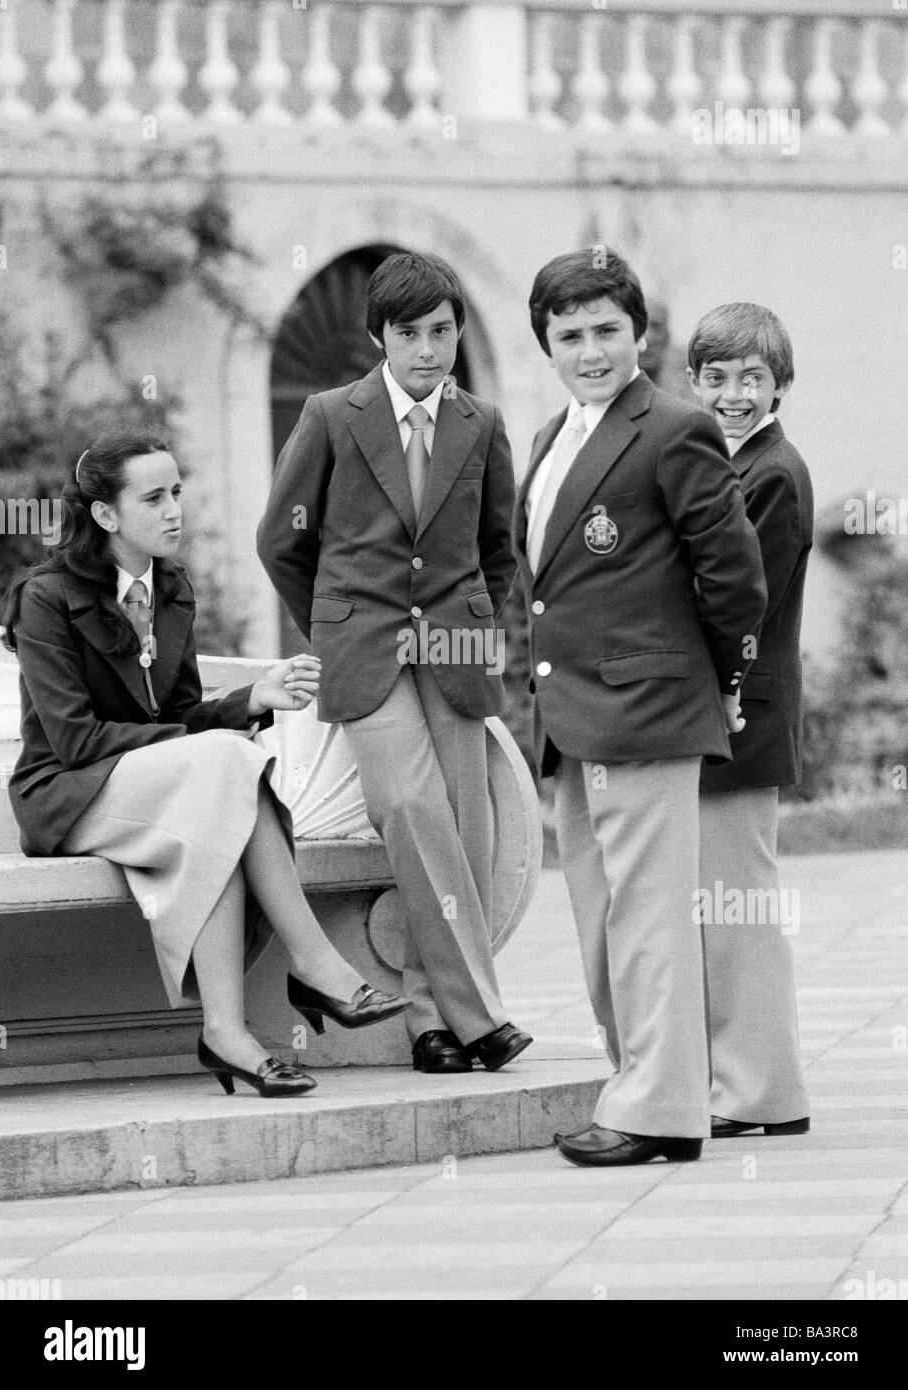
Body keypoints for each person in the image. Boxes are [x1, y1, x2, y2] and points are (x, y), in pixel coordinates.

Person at [2, 433, 409, 1099]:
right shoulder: (44, 598)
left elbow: (183, 711)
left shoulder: (173, 590)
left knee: (222, 800)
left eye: (177, 494)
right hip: (66, 794)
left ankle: (226, 1032)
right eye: (154, 498)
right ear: (106, 515)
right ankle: (314, 964)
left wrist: (253, 698)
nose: (174, 511)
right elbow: (73, 740)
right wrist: (211, 740)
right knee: (228, 768)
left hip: (157, 790)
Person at [516, 248, 767, 1166]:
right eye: (570, 334)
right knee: (598, 921)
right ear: (545, 342)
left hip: (647, 712)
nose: (590, 350)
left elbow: (734, 576)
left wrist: (714, 680)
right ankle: (639, 1087)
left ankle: (659, 1114)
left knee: (652, 919)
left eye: (606, 331)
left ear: (641, 334)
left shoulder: (673, 428)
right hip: (570, 718)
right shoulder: (550, 438)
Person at [257, 251, 532, 1074]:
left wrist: (480, 621)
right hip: (365, 647)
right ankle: (480, 1014)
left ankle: (426, 1020)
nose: (427, 349)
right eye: (409, 333)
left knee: (466, 826)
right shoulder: (332, 415)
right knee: (411, 808)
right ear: (379, 337)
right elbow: (282, 541)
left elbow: (498, 548)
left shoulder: (480, 424)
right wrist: (333, 628)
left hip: (455, 641)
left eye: (442, 331)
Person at [687, 302, 812, 1138]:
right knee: (718, 906)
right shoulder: (725, 461)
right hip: (720, 711)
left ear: (780, 385)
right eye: (718, 377)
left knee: (738, 910)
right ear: (694, 382)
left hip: (742, 712)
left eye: (752, 378)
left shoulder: (771, 473)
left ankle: (762, 1094)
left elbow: (741, 603)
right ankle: (733, 1083)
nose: (734, 393)